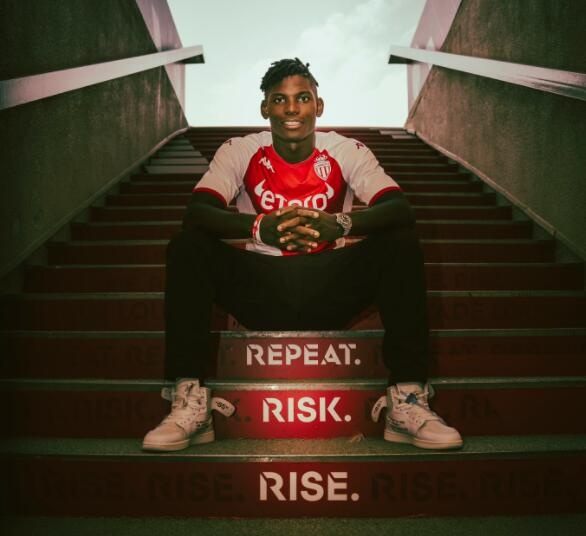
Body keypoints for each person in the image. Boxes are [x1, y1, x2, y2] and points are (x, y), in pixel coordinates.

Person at [142, 58, 463, 452]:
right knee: (188, 246)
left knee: (400, 243)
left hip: (330, 286)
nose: (291, 109)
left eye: (303, 98)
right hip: (262, 287)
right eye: (280, 99)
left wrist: (339, 224)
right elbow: (197, 212)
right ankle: (188, 397)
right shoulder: (241, 150)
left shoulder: (344, 150)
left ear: (319, 106)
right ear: (265, 108)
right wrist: (260, 227)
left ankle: (408, 397)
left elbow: (399, 209)